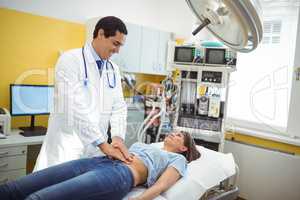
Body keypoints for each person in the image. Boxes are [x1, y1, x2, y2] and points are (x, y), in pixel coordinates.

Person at [34, 16, 132, 171]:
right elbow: (73, 108)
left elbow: (119, 106)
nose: (118, 50)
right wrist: (103, 144)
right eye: (115, 43)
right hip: (65, 148)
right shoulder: (70, 60)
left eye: (120, 46)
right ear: (100, 34)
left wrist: (118, 137)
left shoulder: (113, 69)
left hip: (94, 152)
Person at [0, 131, 200, 200]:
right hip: (98, 161)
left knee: (38, 198)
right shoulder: (147, 145)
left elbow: (162, 186)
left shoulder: (179, 160)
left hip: (121, 174)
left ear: (184, 148)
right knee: (13, 189)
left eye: (179, 135)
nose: (173, 134)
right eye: (174, 132)